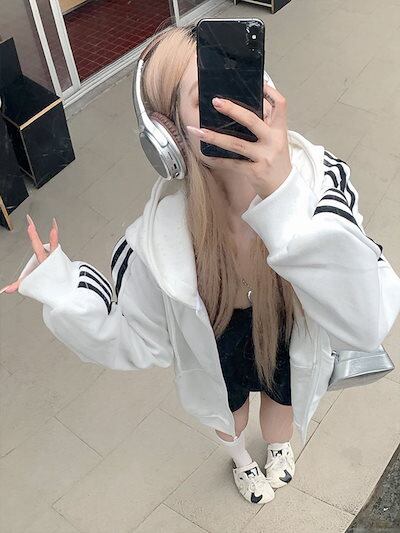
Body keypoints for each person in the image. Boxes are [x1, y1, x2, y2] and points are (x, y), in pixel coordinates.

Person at [2, 25, 400, 506]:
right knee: (230, 417)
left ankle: (277, 448)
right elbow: (136, 340)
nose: (233, 106)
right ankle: (242, 461)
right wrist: (64, 291)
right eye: (207, 96)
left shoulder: (321, 182)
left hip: (286, 329)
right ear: (166, 137)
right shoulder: (154, 241)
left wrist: (285, 198)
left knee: (282, 405)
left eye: (241, 82)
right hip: (216, 344)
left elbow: (367, 323)